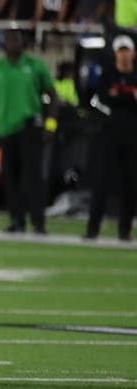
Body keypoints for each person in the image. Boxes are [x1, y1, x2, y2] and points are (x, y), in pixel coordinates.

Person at [0, 28, 58, 234]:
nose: (13, 42)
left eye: (16, 38)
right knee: (11, 177)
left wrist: (51, 124)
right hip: (6, 129)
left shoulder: (35, 66)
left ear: (23, 42)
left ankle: (38, 222)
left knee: (33, 177)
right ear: (4, 43)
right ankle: (17, 220)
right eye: (9, 38)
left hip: (30, 126)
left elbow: (53, 96)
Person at [84, 34, 137, 241]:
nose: (124, 54)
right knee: (101, 182)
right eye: (120, 50)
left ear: (133, 53)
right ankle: (92, 229)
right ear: (116, 53)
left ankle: (124, 231)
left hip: (133, 136)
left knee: (131, 184)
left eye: (127, 50)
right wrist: (127, 98)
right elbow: (102, 101)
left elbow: (114, 99)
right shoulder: (108, 74)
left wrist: (119, 98)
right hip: (110, 134)